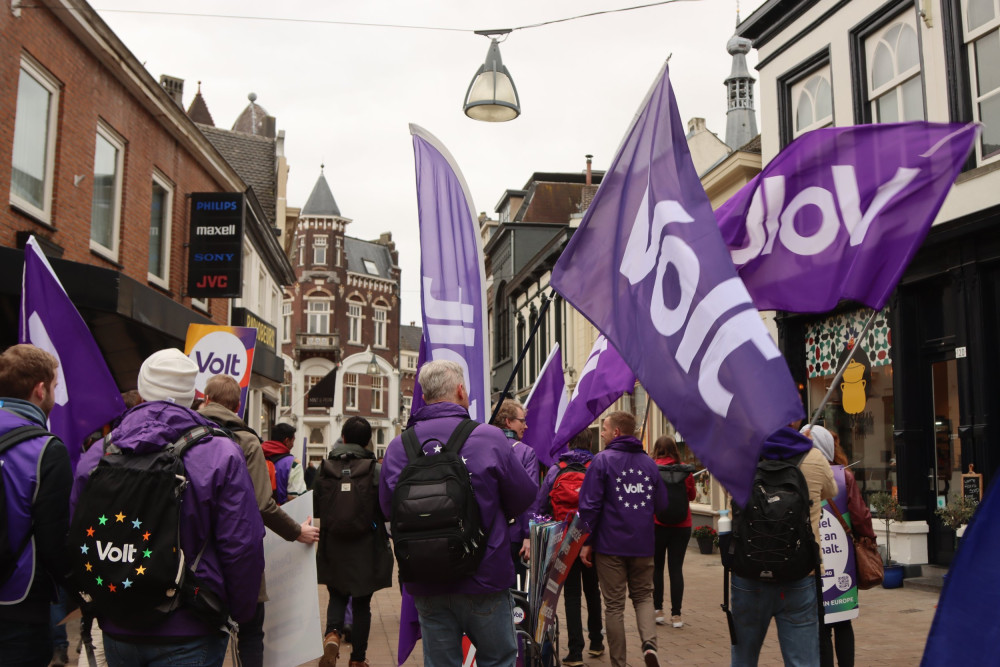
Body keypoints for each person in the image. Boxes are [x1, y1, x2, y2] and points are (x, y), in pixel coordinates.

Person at [70, 348, 264, 666]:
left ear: (143, 389)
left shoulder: (99, 453)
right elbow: (242, 545)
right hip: (191, 623)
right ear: (193, 395)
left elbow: (76, 534)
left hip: (118, 622)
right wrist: (239, 611)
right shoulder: (221, 453)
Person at [378, 360, 536, 667]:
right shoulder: (489, 437)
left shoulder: (399, 447)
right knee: (499, 660)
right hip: (485, 575)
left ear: (423, 396)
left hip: (426, 577)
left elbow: (388, 509)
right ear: (461, 390)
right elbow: (523, 496)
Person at [198, 374, 319, 667]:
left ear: (206, 399)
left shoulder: (186, 432)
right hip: (238, 551)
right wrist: (296, 532)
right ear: (238, 406)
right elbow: (262, 504)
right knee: (250, 630)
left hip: (195, 551)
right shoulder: (246, 440)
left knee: (202, 632)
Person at [729, 425, 837, 667]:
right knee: (803, 661)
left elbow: (732, 499)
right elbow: (832, 491)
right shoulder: (815, 457)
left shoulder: (743, 456)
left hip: (749, 573)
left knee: (743, 658)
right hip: (799, 573)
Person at [0, 344, 72, 667]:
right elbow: (53, 541)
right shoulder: (46, 450)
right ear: (40, 390)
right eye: (55, 387)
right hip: (18, 601)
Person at [578, 411, 668, 667]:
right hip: (642, 544)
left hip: (610, 546)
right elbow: (662, 504)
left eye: (604, 429)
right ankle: (649, 644)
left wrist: (587, 540)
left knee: (614, 606)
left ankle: (619, 662)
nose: (602, 433)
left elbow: (589, 506)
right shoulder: (649, 463)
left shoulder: (602, 461)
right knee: (643, 597)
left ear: (616, 432)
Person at [315, 417, 392, 667]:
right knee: (361, 604)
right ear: (368, 441)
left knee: (336, 594)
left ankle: (332, 634)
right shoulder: (375, 469)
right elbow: (386, 508)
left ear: (344, 438)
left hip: (332, 543)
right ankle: (358, 659)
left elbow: (316, 506)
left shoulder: (325, 467)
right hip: (366, 545)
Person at [802, 424, 876, 667]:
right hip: (841, 560)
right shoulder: (843, 476)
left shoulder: (797, 473)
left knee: (819, 625)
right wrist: (869, 541)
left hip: (810, 560)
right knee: (843, 622)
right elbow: (861, 516)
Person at [534, 429, 604, 666]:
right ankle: (597, 642)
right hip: (590, 540)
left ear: (570, 443)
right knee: (593, 591)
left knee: (572, 594)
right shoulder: (597, 467)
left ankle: (575, 652)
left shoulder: (557, 468)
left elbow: (542, 505)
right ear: (591, 442)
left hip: (566, 539)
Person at [491, 398, 538, 587]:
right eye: (522, 421)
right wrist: (528, 535)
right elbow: (530, 497)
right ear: (508, 422)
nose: (526, 426)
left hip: (486, 534)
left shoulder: (480, 447)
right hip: (514, 535)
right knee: (515, 593)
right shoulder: (526, 453)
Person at [651, 435, 696, 628]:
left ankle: (658, 611)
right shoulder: (685, 471)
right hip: (682, 525)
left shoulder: (652, 469)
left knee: (657, 568)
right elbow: (692, 496)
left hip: (657, 524)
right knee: (676, 569)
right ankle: (676, 615)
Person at [261, 422, 307, 504]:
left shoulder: (257, 456)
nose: (293, 445)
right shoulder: (293, 464)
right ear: (287, 441)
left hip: (256, 514)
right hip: (279, 514)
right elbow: (295, 498)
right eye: (293, 441)